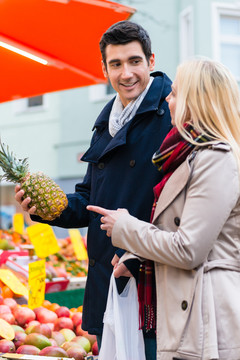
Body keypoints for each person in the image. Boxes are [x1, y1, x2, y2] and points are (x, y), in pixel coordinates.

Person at [15, 20, 172, 359]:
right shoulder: (105, 124)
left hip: (153, 284)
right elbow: (90, 199)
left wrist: (141, 256)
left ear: (151, 61)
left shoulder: (173, 112)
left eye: (134, 61)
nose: (126, 73)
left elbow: (183, 208)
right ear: (104, 69)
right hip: (108, 281)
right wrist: (49, 207)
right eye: (115, 64)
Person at [87, 58, 240, 360]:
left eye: (175, 93)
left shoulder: (216, 158)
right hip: (190, 312)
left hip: (209, 320)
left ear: (195, 100)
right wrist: (136, 254)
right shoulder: (186, 156)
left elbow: (189, 249)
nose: (168, 99)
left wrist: (127, 229)